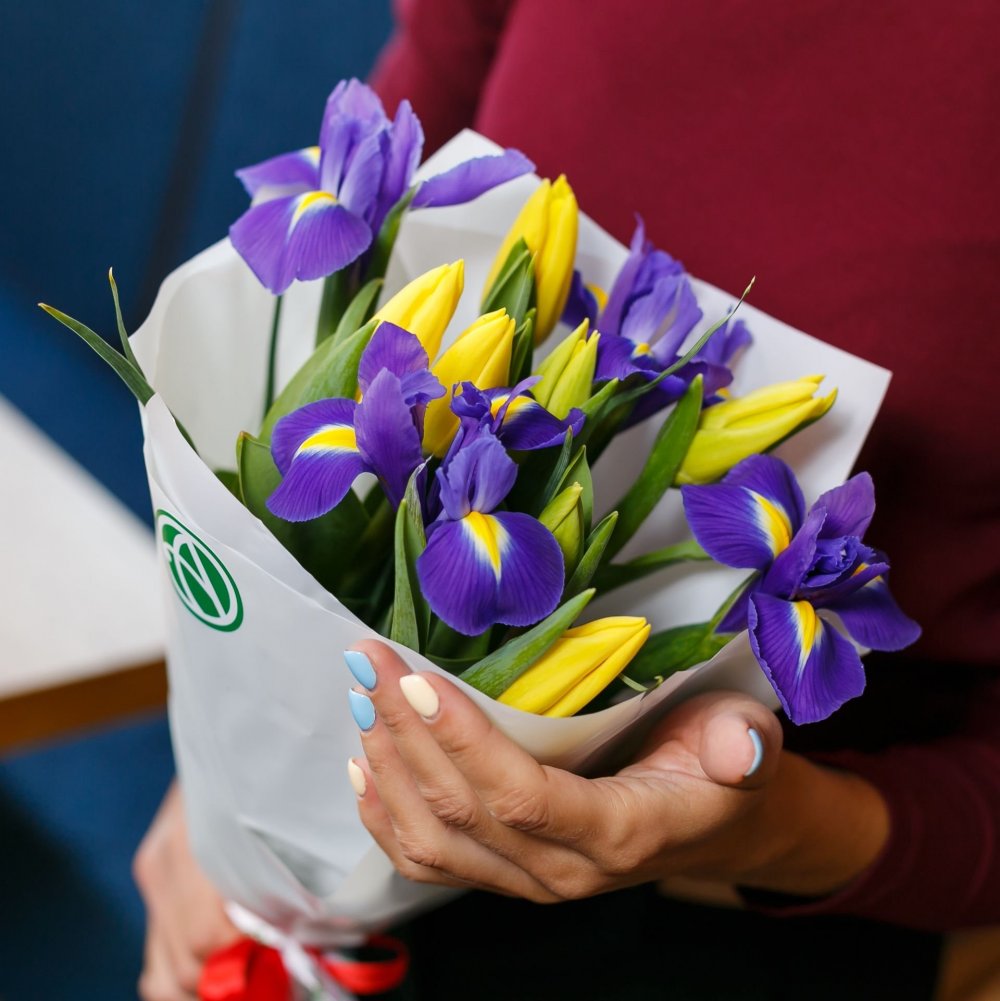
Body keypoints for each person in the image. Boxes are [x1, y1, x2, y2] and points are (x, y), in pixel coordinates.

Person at [135, 2, 1000, 998]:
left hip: (741, 926)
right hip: (338, 813)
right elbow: (398, 201)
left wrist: (772, 824)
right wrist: (242, 786)